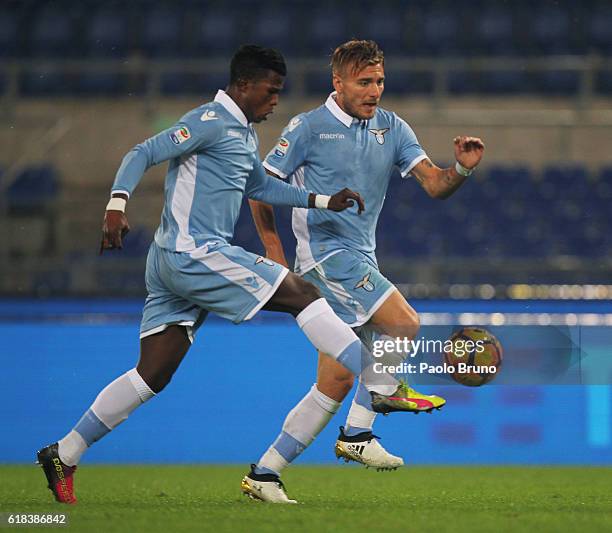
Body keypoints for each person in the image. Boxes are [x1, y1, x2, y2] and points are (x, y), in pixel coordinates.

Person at [36, 44, 427, 506]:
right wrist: (117, 203)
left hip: (171, 261)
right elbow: (143, 151)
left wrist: (323, 201)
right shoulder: (208, 121)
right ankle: (379, 382)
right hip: (193, 252)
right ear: (244, 86)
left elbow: (261, 187)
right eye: (271, 91)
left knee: (152, 374)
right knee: (300, 292)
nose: (275, 100)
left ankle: (65, 451)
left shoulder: (243, 135)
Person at [244, 39, 485, 500]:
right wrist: (274, 247)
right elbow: (259, 186)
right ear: (338, 83)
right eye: (364, 82)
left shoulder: (392, 127)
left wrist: (461, 169)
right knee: (404, 322)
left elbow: (435, 185)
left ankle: (265, 473)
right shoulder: (308, 128)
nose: (374, 90)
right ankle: (357, 434)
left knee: (335, 381)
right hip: (324, 258)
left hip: (360, 257)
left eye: (379, 81)